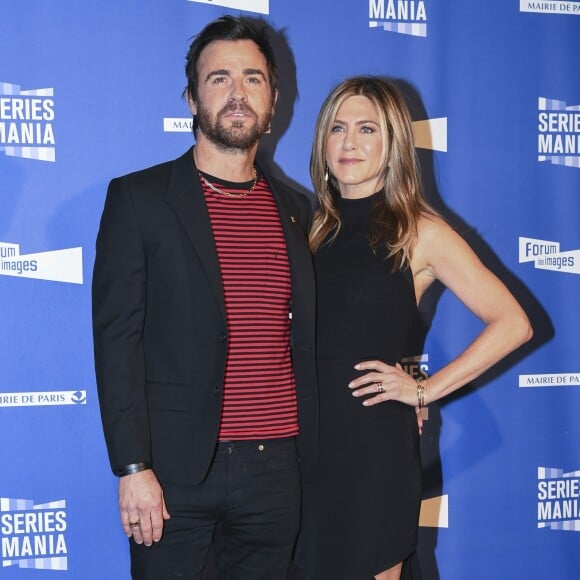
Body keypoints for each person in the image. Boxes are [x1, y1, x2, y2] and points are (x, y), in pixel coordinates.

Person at [92, 15, 317, 580]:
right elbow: (117, 340)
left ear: (274, 100)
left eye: (253, 78)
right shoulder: (140, 199)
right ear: (192, 96)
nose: (237, 93)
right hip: (173, 473)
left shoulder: (299, 211)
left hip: (277, 470)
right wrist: (133, 466)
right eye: (219, 79)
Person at [293, 76, 533, 580]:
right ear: (321, 141)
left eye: (367, 129)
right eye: (337, 128)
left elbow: (512, 323)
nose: (349, 142)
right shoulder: (311, 228)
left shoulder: (418, 230)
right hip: (303, 452)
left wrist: (424, 391)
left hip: (373, 452)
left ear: (394, 143)